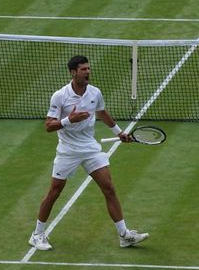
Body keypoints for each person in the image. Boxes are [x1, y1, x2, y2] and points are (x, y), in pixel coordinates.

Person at [29, 55, 149, 251]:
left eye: (88, 69)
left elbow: (102, 113)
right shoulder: (60, 96)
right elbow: (49, 126)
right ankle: (37, 235)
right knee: (54, 192)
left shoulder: (95, 93)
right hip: (68, 151)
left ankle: (124, 235)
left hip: (90, 148)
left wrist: (119, 132)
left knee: (109, 188)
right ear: (73, 72)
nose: (88, 72)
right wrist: (69, 120)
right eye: (83, 69)